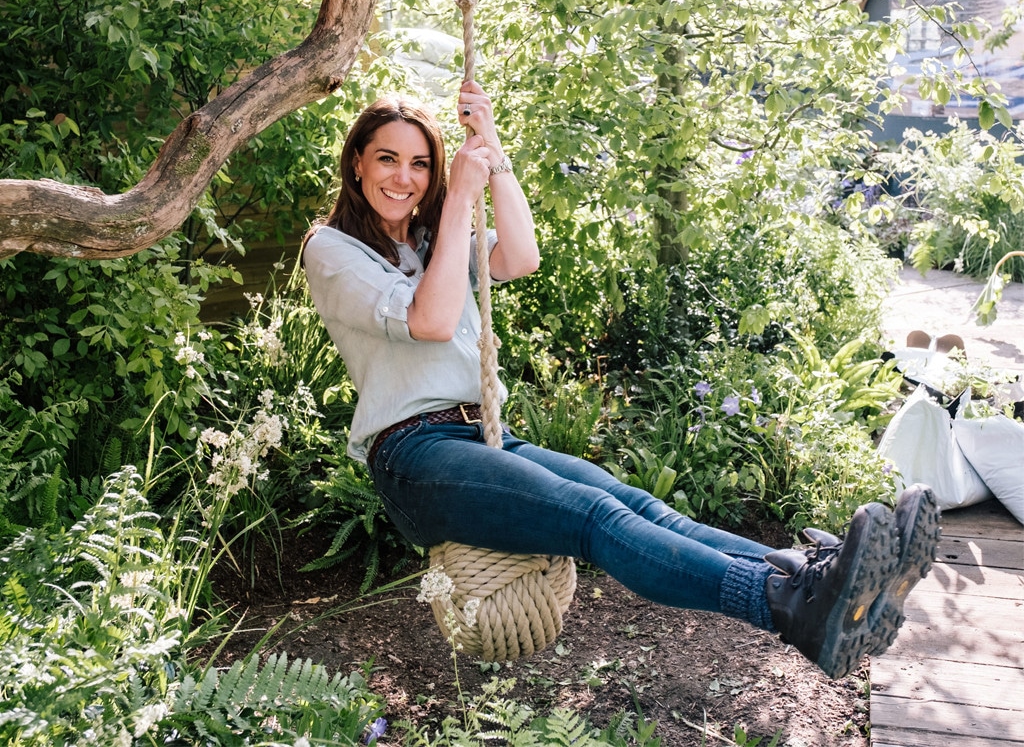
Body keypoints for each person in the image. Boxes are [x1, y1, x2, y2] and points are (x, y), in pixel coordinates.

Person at [301, 81, 942, 680]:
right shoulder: (331, 250)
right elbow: (433, 321)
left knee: (636, 503)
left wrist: (493, 157)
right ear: (356, 163)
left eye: (420, 165)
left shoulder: (426, 242)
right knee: (593, 517)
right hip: (414, 455)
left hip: (478, 436)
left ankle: (813, 575)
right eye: (388, 159)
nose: (404, 178)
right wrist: (460, 198)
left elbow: (520, 257)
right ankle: (787, 606)